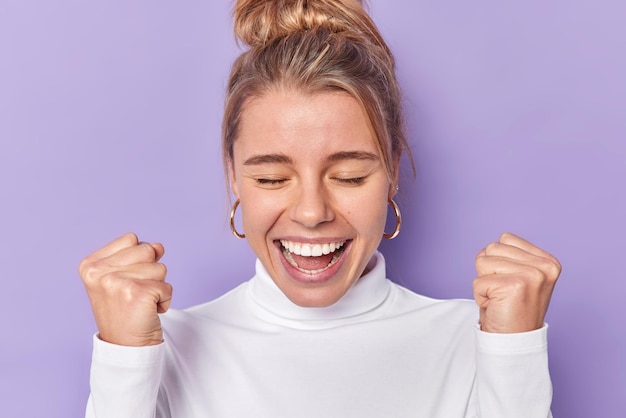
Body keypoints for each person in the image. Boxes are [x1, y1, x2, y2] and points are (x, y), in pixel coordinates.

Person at [79, 1, 561, 417]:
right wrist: (126, 361)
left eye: (349, 176)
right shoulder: (164, 350)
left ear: (392, 169)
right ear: (233, 176)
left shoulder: (476, 342)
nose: (311, 212)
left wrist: (512, 351)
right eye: (271, 178)